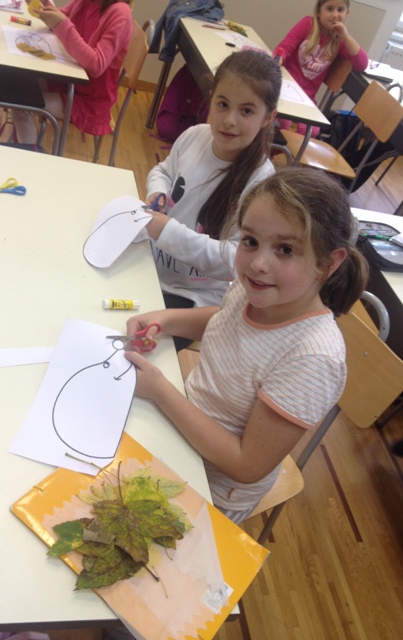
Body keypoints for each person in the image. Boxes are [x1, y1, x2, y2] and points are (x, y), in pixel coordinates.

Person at [124, 167, 369, 524]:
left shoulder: (313, 359)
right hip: (180, 427)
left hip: (208, 488)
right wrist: (166, 319)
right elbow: (225, 321)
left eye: (285, 249)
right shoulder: (255, 289)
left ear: (328, 264)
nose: (257, 263)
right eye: (250, 241)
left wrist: (161, 391)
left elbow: (245, 465)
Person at [142, 49, 282, 349]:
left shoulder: (261, 182)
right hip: (148, 265)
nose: (229, 120)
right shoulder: (194, 136)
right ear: (211, 98)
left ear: (268, 117)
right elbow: (163, 171)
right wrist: (158, 191)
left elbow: (237, 259)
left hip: (193, 298)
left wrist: (167, 232)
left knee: (134, 348)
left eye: (246, 111)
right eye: (222, 104)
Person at [13, 0, 133, 142]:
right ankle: (23, 146)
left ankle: (29, 153)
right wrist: (43, 4)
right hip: (67, 79)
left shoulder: (120, 13)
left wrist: (62, 24)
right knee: (20, 84)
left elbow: (96, 65)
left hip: (89, 100)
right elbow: (59, 20)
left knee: (22, 106)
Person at [274, 0, 368, 137]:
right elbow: (285, 47)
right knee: (284, 121)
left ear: (347, 13)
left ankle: (286, 150)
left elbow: (362, 64)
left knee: (312, 130)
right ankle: (272, 148)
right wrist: (279, 57)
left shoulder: (340, 41)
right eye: (329, 9)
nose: (335, 15)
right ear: (319, 11)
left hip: (306, 97)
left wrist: (346, 36)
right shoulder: (307, 24)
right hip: (284, 86)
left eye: (340, 10)